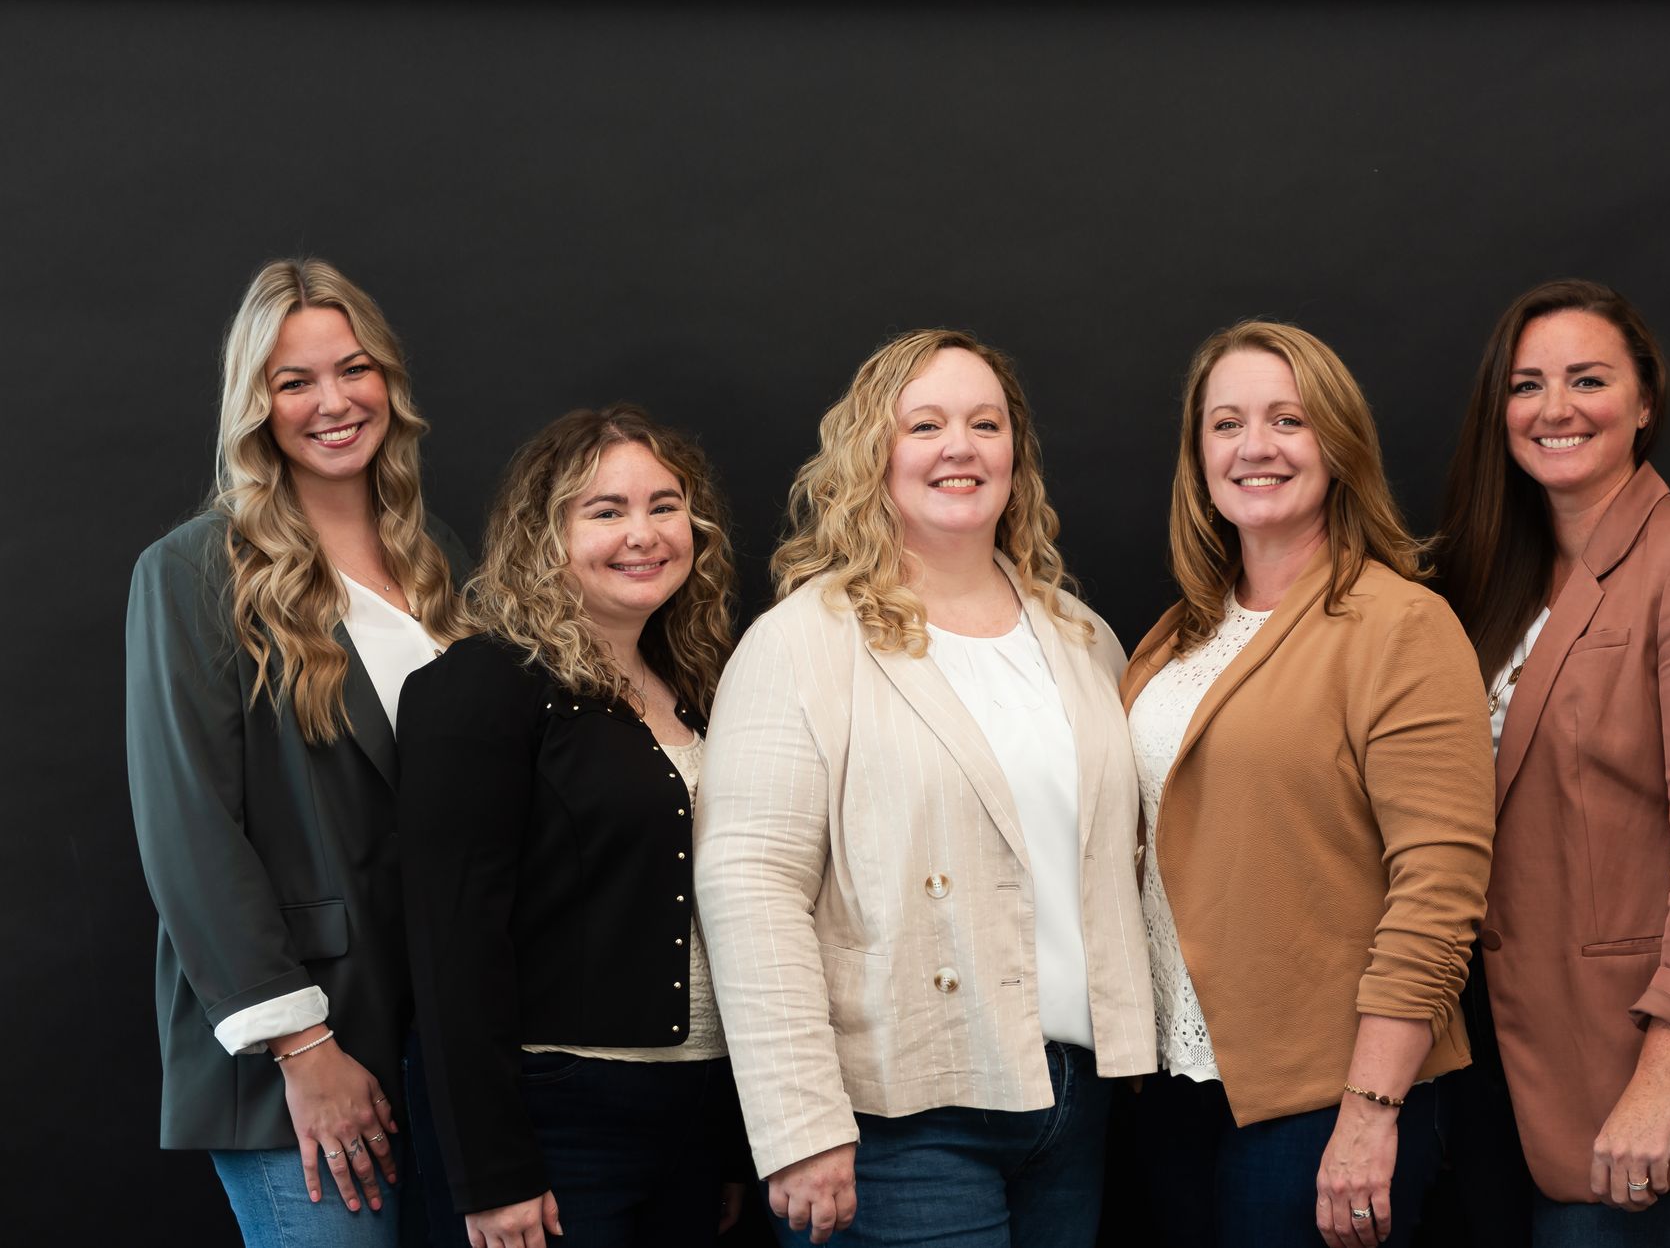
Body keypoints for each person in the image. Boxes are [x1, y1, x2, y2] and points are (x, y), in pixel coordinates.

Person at [695, 329, 1156, 1247]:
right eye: (927, 425)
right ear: (874, 452)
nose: (961, 448)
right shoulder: (801, 645)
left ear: (1015, 453)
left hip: (1076, 1098)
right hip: (892, 1121)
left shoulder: (1082, 639)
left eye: (986, 424)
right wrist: (800, 1124)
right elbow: (750, 886)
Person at [1432, 279, 1670, 1246]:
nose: (1554, 408)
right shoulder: (1491, 584)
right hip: (1497, 1080)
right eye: (1527, 385)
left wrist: (1663, 1075)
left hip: (1632, 1081)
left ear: (1644, 403)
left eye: (1587, 380)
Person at [1122, 321, 1494, 1248]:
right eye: (1227, 424)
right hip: (1175, 1085)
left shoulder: (1400, 625)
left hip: (1325, 1096)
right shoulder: (1178, 634)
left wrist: (1371, 1109)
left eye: (1288, 420)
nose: (1256, 447)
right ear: (1198, 456)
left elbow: (1439, 888)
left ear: (1339, 444)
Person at [126, 258, 468, 1246]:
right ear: (255, 404)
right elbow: (188, 830)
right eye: (294, 381)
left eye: (353, 369)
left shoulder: (438, 560)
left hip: (440, 1035)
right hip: (298, 1047)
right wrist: (303, 1046)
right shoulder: (193, 570)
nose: (334, 402)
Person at [397, 405, 749, 1248]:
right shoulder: (483, 685)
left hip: (700, 1113)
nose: (643, 533)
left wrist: (736, 1143)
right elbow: (451, 943)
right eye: (605, 510)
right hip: (556, 1120)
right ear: (544, 534)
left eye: (665, 506)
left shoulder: (704, 687)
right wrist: (491, 1172)